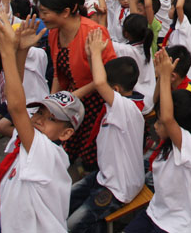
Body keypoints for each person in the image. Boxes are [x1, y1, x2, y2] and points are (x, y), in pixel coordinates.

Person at [0, 14, 85, 232]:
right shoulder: (33, 137)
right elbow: (16, 91)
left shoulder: (46, 151)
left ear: (66, 134)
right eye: (40, 112)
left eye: (51, 118)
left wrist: (7, 52)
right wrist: (21, 52)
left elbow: (16, 107)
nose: (40, 119)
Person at [66, 31, 147, 233]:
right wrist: (91, 56)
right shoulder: (120, 104)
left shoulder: (126, 108)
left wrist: (95, 53)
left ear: (116, 90)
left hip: (120, 186)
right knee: (62, 199)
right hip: (105, 175)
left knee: (73, 224)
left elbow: (100, 83)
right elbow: (99, 82)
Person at [125, 49, 191, 233]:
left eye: (160, 123)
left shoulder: (190, 145)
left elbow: (166, 117)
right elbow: (158, 102)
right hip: (157, 211)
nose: (156, 126)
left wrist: (164, 76)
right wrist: (161, 77)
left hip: (179, 224)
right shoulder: (173, 138)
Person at [40, 0, 117, 171]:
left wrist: (72, 96)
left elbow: (109, 74)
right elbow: (59, 73)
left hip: (96, 100)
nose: (41, 17)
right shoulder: (54, 33)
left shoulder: (93, 31)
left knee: (92, 153)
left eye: (45, 12)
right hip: (71, 99)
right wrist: (52, 102)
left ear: (65, 12)